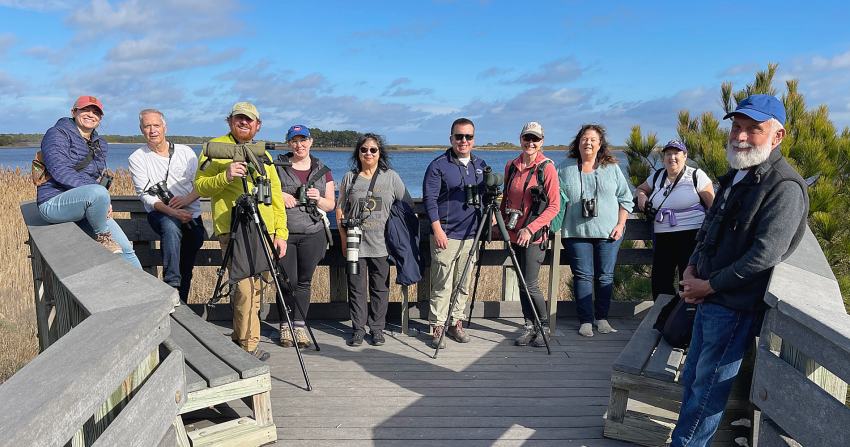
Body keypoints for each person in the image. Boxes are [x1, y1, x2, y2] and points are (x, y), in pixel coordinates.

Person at [670, 95, 808, 447]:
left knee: (708, 387)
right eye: (736, 127)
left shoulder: (784, 186)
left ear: (777, 137)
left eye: (753, 129)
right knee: (694, 377)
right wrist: (691, 266)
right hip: (707, 295)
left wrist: (708, 285)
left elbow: (764, 255)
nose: (740, 136)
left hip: (732, 305)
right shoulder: (739, 174)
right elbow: (710, 224)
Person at [194, 102, 288, 362]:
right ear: (230, 121)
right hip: (233, 229)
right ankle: (248, 349)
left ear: (257, 125)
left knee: (255, 289)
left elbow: (276, 197)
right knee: (245, 289)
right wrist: (225, 176)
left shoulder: (263, 154)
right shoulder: (216, 148)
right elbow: (201, 187)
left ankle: (242, 339)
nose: (244, 123)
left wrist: (281, 233)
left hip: (263, 231)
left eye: (249, 120)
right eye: (239, 118)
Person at [36, 95, 142, 269]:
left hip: (85, 203)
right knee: (99, 193)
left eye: (96, 112)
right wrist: (98, 195)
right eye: (85, 109)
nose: (91, 115)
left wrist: (102, 202)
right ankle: (102, 236)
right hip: (54, 202)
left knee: (125, 249)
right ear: (73, 112)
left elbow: (94, 179)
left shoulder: (100, 144)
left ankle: (146, 292)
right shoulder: (56, 134)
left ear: (100, 118)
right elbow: (60, 171)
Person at [336, 133, 413, 347]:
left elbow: (407, 204)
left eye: (373, 150)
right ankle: (358, 329)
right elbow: (340, 209)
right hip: (354, 245)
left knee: (380, 289)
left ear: (380, 153)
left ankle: (377, 329)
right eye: (364, 149)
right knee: (356, 289)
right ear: (358, 153)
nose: (368, 153)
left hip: (382, 244)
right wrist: (343, 239)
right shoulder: (349, 178)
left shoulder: (391, 177)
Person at [557, 124, 633, 337]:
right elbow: (554, 198)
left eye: (592, 139)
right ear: (578, 142)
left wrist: (620, 225)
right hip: (575, 232)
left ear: (600, 144)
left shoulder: (612, 168)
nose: (588, 143)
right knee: (582, 276)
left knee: (605, 277)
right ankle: (585, 321)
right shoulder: (564, 167)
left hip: (609, 233)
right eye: (584, 138)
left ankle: (602, 318)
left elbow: (626, 199)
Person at [422, 118, 488, 349]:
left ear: (473, 139)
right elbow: (430, 200)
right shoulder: (438, 165)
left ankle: (455, 322)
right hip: (446, 235)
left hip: (471, 234)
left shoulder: (480, 165)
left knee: (463, 283)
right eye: (459, 136)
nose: (463, 141)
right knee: (442, 284)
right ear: (451, 139)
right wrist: (437, 229)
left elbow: (487, 198)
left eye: (468, 137)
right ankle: (438, 326)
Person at [128, 109, 205, 303]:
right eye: (147, 126)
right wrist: (173, 212)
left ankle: (181, 306)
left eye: (156, 125)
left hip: (191, 215)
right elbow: (146, 196)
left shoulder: (185, 152)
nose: (152, 130)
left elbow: (201, 184)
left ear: (165, 127)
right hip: (160, 213)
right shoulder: (137, 158)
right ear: (141, 129)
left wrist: (186, 201)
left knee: (186, 266)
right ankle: (171, 284)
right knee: (170, 225)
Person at [500, 122, 560, 347]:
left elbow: (554, 206)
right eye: (527, 138)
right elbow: (506, 198)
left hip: (534, 237)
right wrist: (502, 225)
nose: (531, 143)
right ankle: (528, 326)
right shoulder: (511, 166)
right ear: (520, 139)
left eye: (535, 139)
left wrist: (530, 228)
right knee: (520, 281)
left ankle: (543, 326)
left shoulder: (547, 168)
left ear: (542, 141)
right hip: (514, 235)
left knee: (530, 284)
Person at [275, 125, 335, 349]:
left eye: (303, 140)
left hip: (313, 232)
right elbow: (264, 191)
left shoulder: (323, 170)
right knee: (285, 280)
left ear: (310, 141)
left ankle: (298, 327)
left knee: (304, 282)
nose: (299, 145)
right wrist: (279, 195)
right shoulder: (277, 166)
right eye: (294, 141)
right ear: (288, 143)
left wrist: (318, 198)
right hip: (284, 233)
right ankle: (285, 325)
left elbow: (330, 204)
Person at [634, 140, 714, 300]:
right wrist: (641, 196)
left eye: (676, 153)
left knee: (689, 279)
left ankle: (687, 318)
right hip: (663, 236)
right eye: (668, 154)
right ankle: (664, 318)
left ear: (685, 156)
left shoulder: (696, 176)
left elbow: (712, 207)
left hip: (692, 235)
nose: (672, 157)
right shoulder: (657, 176)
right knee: (660, 280)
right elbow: (640, 188)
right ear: (664, 158)